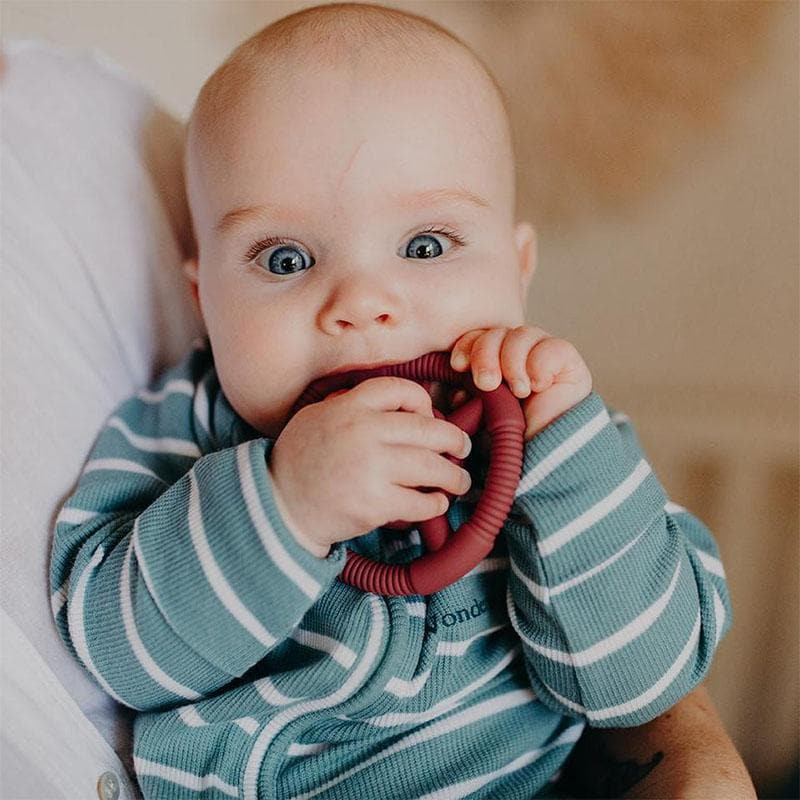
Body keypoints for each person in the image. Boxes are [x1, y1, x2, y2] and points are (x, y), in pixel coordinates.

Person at [50, 4, 736, 798]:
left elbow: (639, 687)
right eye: (284, 257)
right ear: (204, 299)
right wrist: (284, 505)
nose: (363, 302)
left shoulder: (557, 440)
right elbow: (118, 650)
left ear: (516, 272)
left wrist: (568, 462)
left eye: (425, 246)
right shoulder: (185, 431)